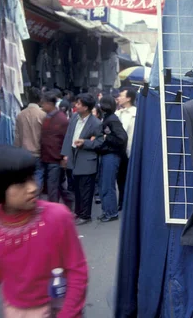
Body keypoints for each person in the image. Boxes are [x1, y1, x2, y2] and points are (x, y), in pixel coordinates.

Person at [0, 145, 88, 318]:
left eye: (32, 178)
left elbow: (77, 270)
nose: (33, 187)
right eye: (21, 183)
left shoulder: (58, 216)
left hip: (58, 310)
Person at [62, 93, 104, 225]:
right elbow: (68, 136)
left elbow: (100, 142)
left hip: (87, 158)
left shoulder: (95, 123)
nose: (76, 105)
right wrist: (65, 154)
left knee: (86, 189)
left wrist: (85, 143)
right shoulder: (74, 117)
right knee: (76, 188)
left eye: (79, 104)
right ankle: (78, 212)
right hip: (74, 157)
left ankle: (86, 215)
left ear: (86, 107)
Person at [95, 95, 128, 222]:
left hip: (111, 155)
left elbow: (122, 138)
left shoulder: (112, 120)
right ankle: (108, 211)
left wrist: (106, 138)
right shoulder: (109, 118)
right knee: (105, 184)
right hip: (109, 154)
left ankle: (111, 212)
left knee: (107, 185)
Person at [40, 91, 74, 209]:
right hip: (46, 156)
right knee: (57, 185)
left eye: (43, 103)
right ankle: (69, 202)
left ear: (50, 104)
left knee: (52, 187)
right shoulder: (46, 118)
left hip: (55, 158)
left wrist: (65, 157)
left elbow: (66, 139)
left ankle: (53, 211)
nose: (42, 105)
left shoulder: (61, 119)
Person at [14, 87, 46, 190]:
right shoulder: (43, 115)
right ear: (40, 99)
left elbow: (17, 137)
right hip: (38, 152)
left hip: (23, 152)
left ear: (28, 98)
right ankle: (34, 198)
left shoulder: (20, 115)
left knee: (26, 178)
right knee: (38, 176)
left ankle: (27, 199)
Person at [115, 87, 137, 211]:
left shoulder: (135, 113)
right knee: (120, 178)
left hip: (130, 151)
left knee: (130, 179)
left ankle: (130, 203)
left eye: (121, 95)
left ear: (128, 98)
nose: (118, 98)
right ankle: (122, 202)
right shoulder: (118, 113)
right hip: (120, 151)